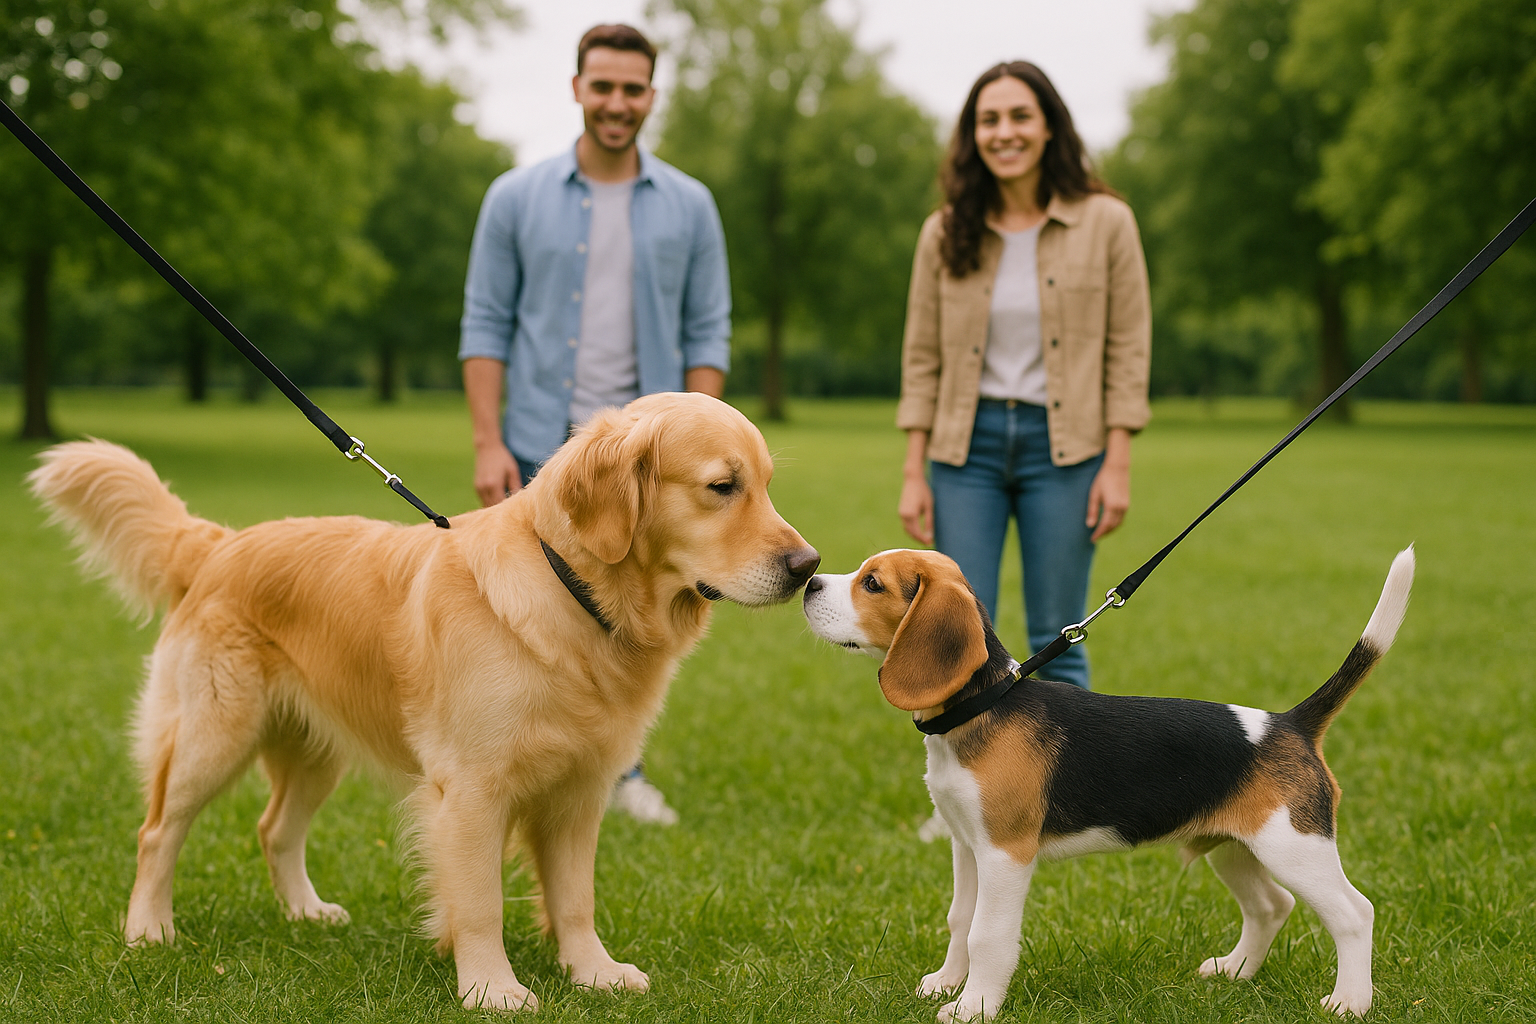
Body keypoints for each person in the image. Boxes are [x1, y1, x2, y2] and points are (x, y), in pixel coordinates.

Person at [458, 23, 732, 825]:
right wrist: (488, 441)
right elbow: (485, 322)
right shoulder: (514, 197)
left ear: (652, 95)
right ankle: (520, 757)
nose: (617, 103)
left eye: (632, 89)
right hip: (537, 442)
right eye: (603, 86)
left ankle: (620, 768)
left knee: (635, 608)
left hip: (649, 461)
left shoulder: (690, 205)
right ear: (577, 88)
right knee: (523, 617)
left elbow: (707, 330)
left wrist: (703, 444)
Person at [896, 60, 1151, 696]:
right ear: (972, 135)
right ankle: (959, 769)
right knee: (956, 636)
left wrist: (1117, 462)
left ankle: (1071, 768)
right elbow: (921, 355)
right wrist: (914, 471)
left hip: (1065, 450)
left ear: (1048, 127)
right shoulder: (943, 231)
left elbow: (1129, 345)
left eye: (1019, 116)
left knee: (1058, 636)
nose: (1004, 132)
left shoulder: (1107, 222)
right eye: (989, 120)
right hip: (965, 453)